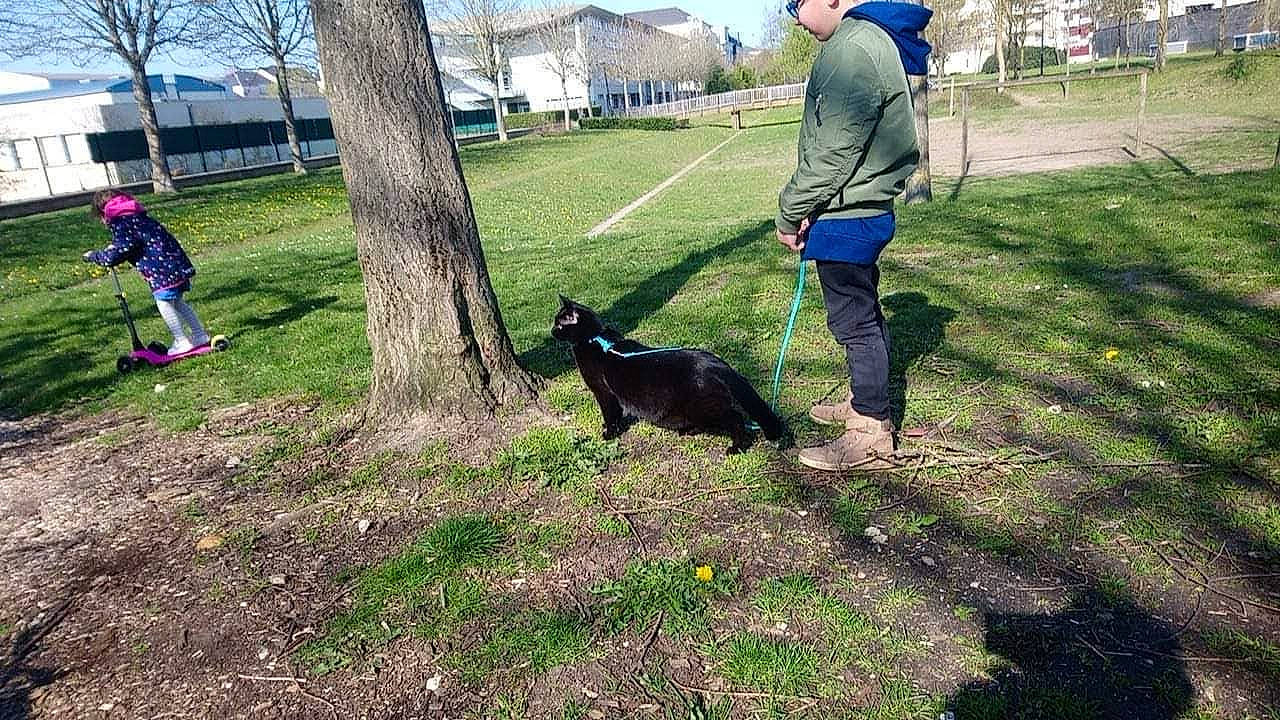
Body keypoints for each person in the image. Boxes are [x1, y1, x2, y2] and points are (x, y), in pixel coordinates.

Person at [775, 0, 931, 471]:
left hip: (850, 215)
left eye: (794, 5)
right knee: (861, 311)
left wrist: (791, 211)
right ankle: (866, 398)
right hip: (848, 209)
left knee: (853, 321)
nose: (794, 18)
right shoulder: (862, 39)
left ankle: (870, 431)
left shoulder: (853, 49)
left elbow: (834, 154)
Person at [83, 190, 209, 355]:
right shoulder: (138, 217)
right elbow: (133, 242)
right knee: (177, 301)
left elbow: (118, 253)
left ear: (105, 214)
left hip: (161, 269)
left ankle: (181, 340)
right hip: (175, 263)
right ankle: (200, 335)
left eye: (101, 218)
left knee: (163, 302)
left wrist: (95, 256)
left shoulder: (122, 223)